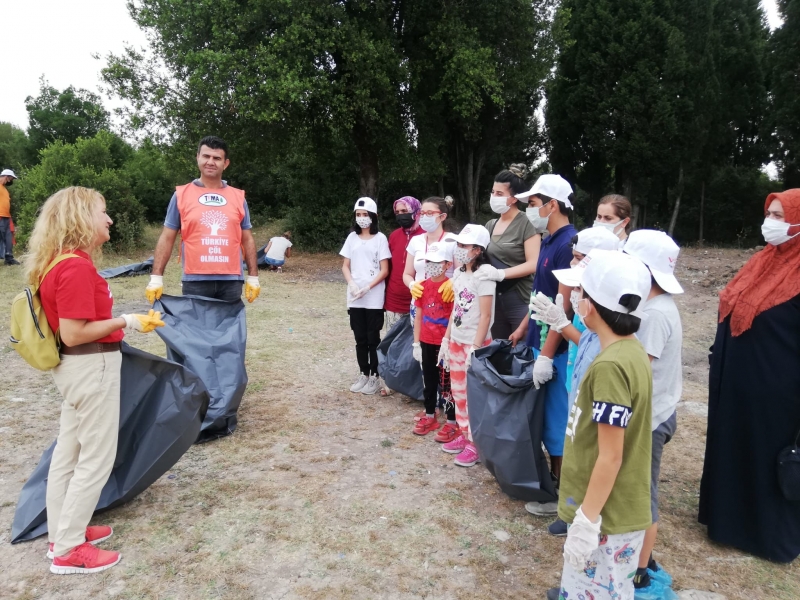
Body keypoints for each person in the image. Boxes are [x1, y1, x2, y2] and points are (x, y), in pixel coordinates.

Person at [25, 187, 164, 574]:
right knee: (95, 457)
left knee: (68, 453)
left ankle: (63, 533)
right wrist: (128, 321)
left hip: (75, 369)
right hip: (91, 367)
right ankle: (68, 550)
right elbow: (73, 332)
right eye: (102, 213)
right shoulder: (75, 267)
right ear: (81, 218)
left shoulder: (58, 262)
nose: (109, 220)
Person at [699, 189, 800, 563]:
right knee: (731, 443)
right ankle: (725, 521)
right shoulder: (761, 260)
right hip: (735, 375)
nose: (771, 222)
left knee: (765, 452)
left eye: (781, 215)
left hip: (777, 385)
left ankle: (765, 534)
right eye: (769, 213)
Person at [545, 249, 653, 600]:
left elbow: (610, 456)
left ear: (590, 306)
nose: (574, 298)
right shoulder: (630, 348)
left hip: (606, 516)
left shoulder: (610, 367)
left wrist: (586, 522)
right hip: (610, 512)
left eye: (580, 292)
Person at [531, 226, 621, 537]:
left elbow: (599, 345)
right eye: (573, 256)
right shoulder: (584, 293)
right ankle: (569, 510)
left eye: (579, 258)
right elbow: (585, 342)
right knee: (573, 444)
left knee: (590, 451)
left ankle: (585, 516)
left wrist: (562, 323)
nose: (573, 263)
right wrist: (561, 322)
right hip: (577, 375)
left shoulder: (611, 305)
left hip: (596, 384)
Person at [620, 230, 683, 599]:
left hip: (650, 419)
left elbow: (637, 371)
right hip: (646, 414)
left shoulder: (656, 314)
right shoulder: (647, 306)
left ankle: (641, 569)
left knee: (643, 494)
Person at [511, 174, 578, 516]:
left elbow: (562, 307)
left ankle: (559, 493)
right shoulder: (548, 239)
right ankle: (550, 482)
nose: (530, 209)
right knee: (545, 419)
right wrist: (523, 328)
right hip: (537, 338)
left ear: (552, 204)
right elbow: (539, 295)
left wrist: (548, 355)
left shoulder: (569, 244)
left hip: (558, 348)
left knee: (556, 421)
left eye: (534, 204)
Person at [144, 136, 261, 304]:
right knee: (195, 330)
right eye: (206, 156)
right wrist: (156, 278)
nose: (210, 162)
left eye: (217, 158)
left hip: (231, 281)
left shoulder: (238, 197)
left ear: (225, 163)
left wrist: (253, 277)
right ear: (198, 157)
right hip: (195, 280)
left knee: (227, 330)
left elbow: (247, 238)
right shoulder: (181, 195)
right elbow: (167, 237)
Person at [438, 224, 496, 467]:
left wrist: (476, 347)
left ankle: (476, 444)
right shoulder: (459, 273)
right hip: (456, 342)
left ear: (478, 249)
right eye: (458, 245)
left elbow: (486, 316)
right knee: (458, 393)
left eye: (465, 246)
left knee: (474, 397)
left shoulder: (485, 276)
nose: (460, 250)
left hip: (475, 344)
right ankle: (464, 435)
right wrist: (446, 338)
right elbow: (456, 309)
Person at [476, 165, 541, 340]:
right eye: (492, 192)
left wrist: (500, 273)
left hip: (519, 297)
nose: (493, 197)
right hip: (494, 297)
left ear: (513, 198)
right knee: (498, 351)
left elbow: (534, 262)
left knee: (520, 351)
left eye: (499, 194)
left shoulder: (527, 222)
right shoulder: (490, 225)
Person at [341, 197, 391, 396]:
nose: (362, 218)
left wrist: (368, 287)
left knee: (373, 337)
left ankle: (375, 376)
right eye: (358, 215)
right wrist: (352, 284)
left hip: (373, 296)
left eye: (365, 215)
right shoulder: (352, 238)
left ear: (373, 216)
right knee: (359, 337)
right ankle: (363, 372)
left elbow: (384, 269)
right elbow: (345, 265)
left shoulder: (380, 239)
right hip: (355, 297)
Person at [411, 242, 458, 442]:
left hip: (445, 344)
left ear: (448, 265)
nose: (432, 265)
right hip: (426, 341)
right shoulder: (422, 286)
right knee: (429, 381)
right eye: (429, 261)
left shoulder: (451, 288)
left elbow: (455, 316)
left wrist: (448, 342)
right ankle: (430, 415)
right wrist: (415, 343)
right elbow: (419, 315)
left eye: (437, 262)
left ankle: (452, 422)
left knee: (447, 385)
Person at [382, 196, 423, 396]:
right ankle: (391, 380)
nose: (401, 215)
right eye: (397, 212)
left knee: (417, 342)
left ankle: (415, 383)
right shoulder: (394, 236)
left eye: (404, 211)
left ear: (416, 211)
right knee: (394, 341)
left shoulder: (426, 235)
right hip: (394, 296)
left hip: (420, 299)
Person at [0, 168, 20, 265]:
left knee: (8, 237)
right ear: (6, 177)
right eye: (11, 178)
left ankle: (9, 258)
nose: (11, 181)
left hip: (6, 217)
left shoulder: (4, 189)